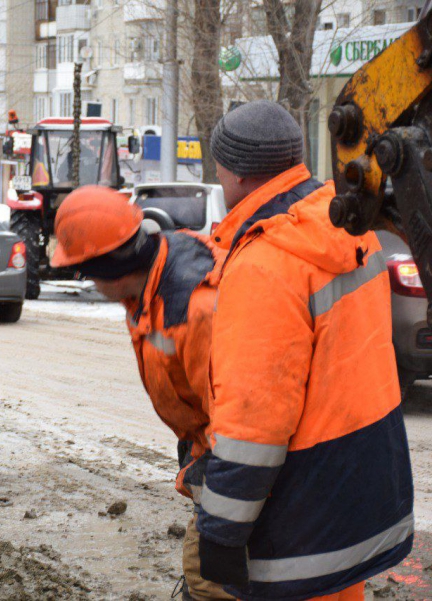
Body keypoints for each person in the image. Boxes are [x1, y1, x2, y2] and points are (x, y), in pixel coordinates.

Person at [199, 100, 413, 599]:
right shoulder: (349, 229)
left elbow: (255, 421)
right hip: (356, 496)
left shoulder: (265, 263)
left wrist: (222, 530)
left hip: (299, 520)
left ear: (235, 172)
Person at [50, 185, 231, 601]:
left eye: (86, 271)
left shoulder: (195, 308)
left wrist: (212, 474)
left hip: (232, 455)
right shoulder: (154, 272)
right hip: (207, 444)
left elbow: (238, 415)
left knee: (211, 580)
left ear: (111, 266)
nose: (87, 282)